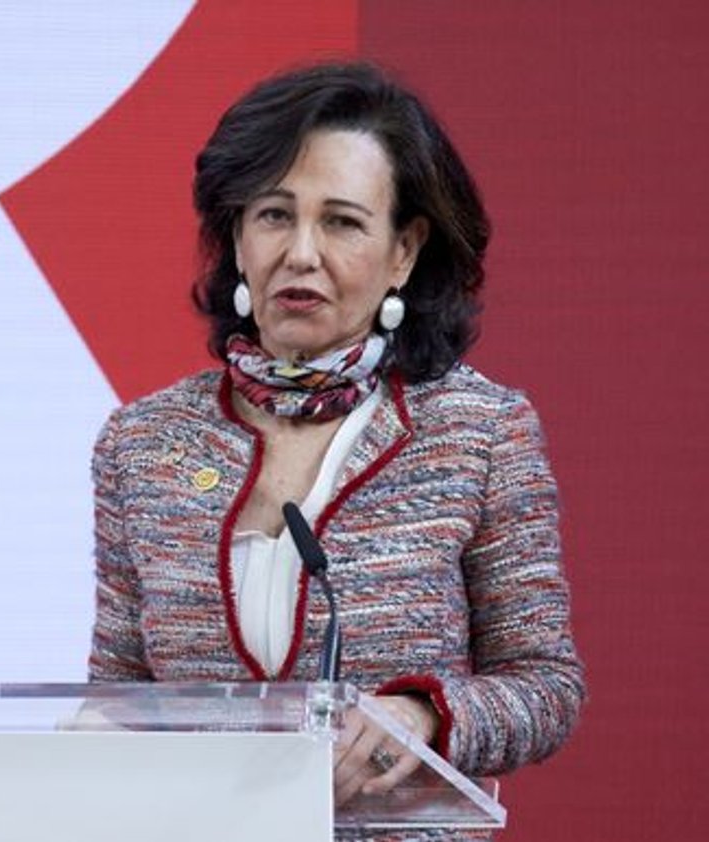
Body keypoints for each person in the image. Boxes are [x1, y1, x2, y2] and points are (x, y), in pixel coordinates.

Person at [87, 61, 585, 834]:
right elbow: (119, 692)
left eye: (343, 222)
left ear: (403, 252)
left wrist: (424, 715)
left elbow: (546, 687)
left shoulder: (480, 431)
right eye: (274, 215)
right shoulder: (142, 444)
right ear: (237, 238)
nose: (302, 253)